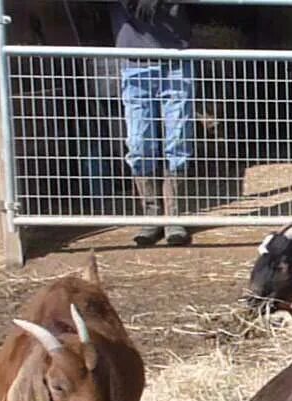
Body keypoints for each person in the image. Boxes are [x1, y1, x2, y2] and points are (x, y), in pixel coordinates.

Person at [111, 0, 193, 246]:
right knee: (138, 144)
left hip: (176, 59)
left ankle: (174, 216)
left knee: (177, 141)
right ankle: (151, 214)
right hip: (134, 61)